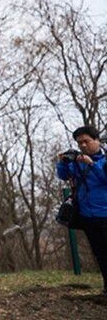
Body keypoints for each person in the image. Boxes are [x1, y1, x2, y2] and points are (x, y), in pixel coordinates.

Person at [57, 125, 107, 295]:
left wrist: (92, 164)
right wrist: (63, 162)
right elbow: (64, 176)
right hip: (88, 216)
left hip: (105, 214)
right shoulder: (78, 163)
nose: (83, 146)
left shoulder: (103, 160)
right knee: (100, 253)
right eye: (80, 143)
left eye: (87, 141)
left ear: (97, 140)